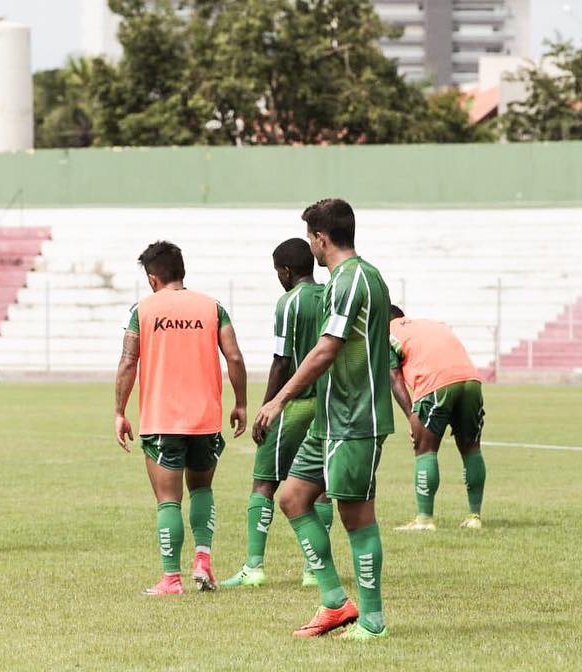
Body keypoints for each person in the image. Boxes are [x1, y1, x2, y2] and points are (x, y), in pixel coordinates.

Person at [253, 198, 393, 640]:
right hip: (329, 421)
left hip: (356, 420)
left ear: (321, 237)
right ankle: (335, 602)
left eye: (311, 237)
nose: (310, 245)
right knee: (293, 498)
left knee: (356, 518)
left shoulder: (354, 278)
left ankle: (372, 621)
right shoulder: (343, 280)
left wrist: (278, 399)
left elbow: (327, 348)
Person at [115, 241, 247, 596]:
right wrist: (242, 404)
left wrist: (119, 411)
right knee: (202, 488)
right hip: (205, 418)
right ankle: (203, 560)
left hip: (162, 420)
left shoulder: (142, 310)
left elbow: (129, 362)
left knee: (168, 500)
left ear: (153, 277)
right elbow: (234, 357)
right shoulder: (213, 308)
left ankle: (171, 579)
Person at [222, 238, 333, 589]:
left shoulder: (290, 302)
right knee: (320, 488)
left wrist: (267, 406)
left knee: (264, 482)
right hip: (329, 406)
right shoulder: (331, 294)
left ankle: (254, 567)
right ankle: (313, 569)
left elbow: (282, 360)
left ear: (285, 271)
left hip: (295, 405)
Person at [388, 305, 487, 531]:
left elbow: (394, 379)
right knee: (471, 448)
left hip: (436, 384)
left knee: (426, 450)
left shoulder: (389, 333)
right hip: (471, 380)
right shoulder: (432, 324)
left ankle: (424, 520)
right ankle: (474, 517)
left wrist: (411, 416)